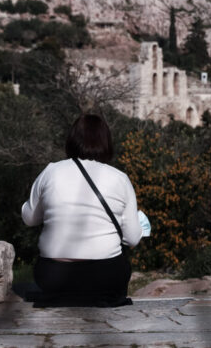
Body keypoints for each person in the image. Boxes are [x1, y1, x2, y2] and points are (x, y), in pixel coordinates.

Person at [21, 113, 142, 306]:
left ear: (72, 140)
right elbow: (132, 238)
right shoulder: (120, 178)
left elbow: (29, 218)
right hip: (105, 277)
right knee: (121, 262)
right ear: (106, 142)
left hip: (53, 276)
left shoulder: (51, 171)